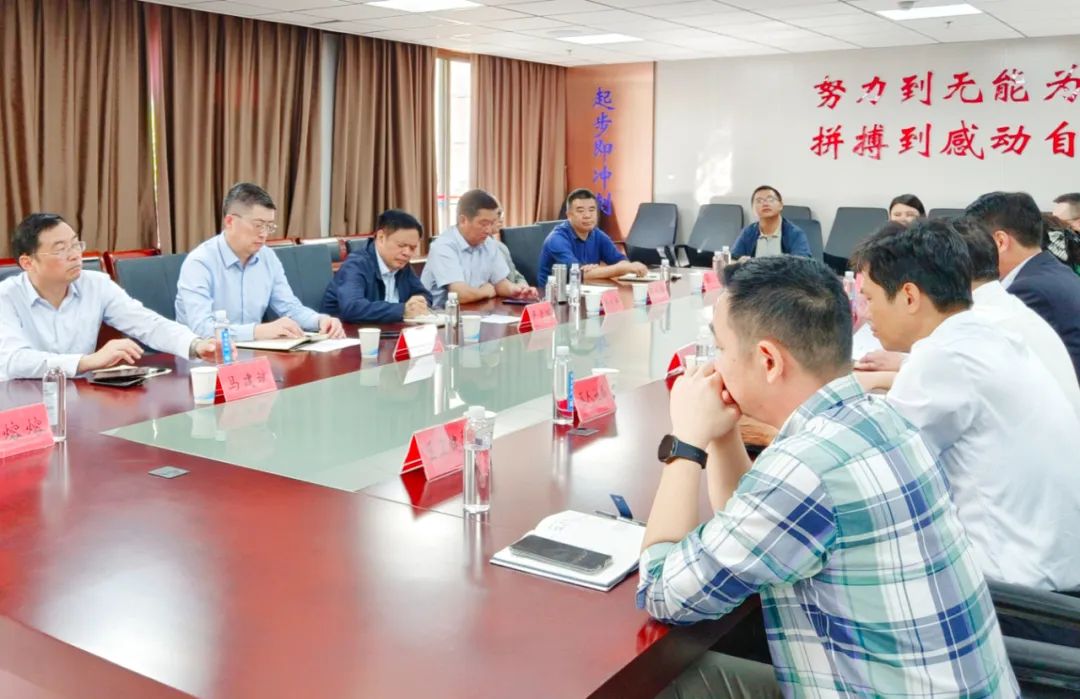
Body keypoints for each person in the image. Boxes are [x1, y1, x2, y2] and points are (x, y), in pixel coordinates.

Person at [638, 255, 1016, 699]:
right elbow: (745, 526)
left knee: (656, 686)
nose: (715, 365)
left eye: (720, 348)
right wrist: (721, 434)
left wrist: (687, 441)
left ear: (768, 360)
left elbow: (663, 592)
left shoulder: (806, 468)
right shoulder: (882, 418)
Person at [851, 220, 1080, 591]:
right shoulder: (985, 334)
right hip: (1054, 560)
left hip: (1013, 586)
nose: (866, 313)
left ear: (909, 296)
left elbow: (874, 468)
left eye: (871, 299)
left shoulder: (943, 356)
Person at [855, 217, 1080, 418]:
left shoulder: (962, 340)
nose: (867, 313)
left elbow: (886, 436)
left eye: (870, 299)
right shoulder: (991, 316)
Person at [0, 213, 216, 381]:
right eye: (60, 249)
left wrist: (195, 345)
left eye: (75, 244)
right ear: (28, 262)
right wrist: (87, 362)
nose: (75, 255)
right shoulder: (6, 297)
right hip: (20, 401)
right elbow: (13, 360)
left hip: (77, 395)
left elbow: (147, 323)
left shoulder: (96, 284)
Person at [176, 182, 345, 341]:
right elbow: (202, 328)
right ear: (230, 222)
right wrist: (258, 331)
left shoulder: (267, 258)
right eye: (258, 225)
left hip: (252, 354)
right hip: (205, 358)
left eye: (269, 226)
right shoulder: (200, 263)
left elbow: (289, 307)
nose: (264, 234)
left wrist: (320, 320)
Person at [965, 191, 1080, 380]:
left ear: (1000, 242)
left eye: (974, 244)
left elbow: (989, 365)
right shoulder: (1054, 271)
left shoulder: (1028, 290)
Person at [421, 189, 536, 307]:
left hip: (475, 310)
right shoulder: (443, 246)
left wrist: (517, 291)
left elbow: (500, 283)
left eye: (492, 223)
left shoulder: (489, 243)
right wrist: (485, 292)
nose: (489, 230)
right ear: (463, 220)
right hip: (441, 314)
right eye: (483, 224)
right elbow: (459, 295)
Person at [320, 209, 432, 324]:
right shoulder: (356, 265)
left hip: (388, 331)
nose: (407, 253)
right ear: (381, 237)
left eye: (412, 248)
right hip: (347, 332)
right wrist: (402, 310)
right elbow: (353, 308)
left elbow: (424, 295)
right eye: (401, 245)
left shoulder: (402, 265)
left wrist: (419, 304)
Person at [535, 188, 646, 288]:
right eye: (580, 211)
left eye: (592, 210)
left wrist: (622, 266)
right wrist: (621, 268)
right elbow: (579, 274)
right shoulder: (556, 239)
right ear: (569, 215)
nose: (587, 215)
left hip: (586, 291)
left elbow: (621, 261)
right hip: (554, 296)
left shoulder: (597, 234)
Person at [730, 186, 811, 260]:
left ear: (781, 205)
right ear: (753, 209)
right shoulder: (748, 232)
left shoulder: (795, 233)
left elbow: (802, 264)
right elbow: (733, 259)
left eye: (771, 200)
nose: (765, 204)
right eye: (759, 201)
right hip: (753, 271)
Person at [493, 208, 527, 286]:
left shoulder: (502, 247)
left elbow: (516, 276)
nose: (501, 220)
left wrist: (523, 286)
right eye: (498, 215)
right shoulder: (477, 250)